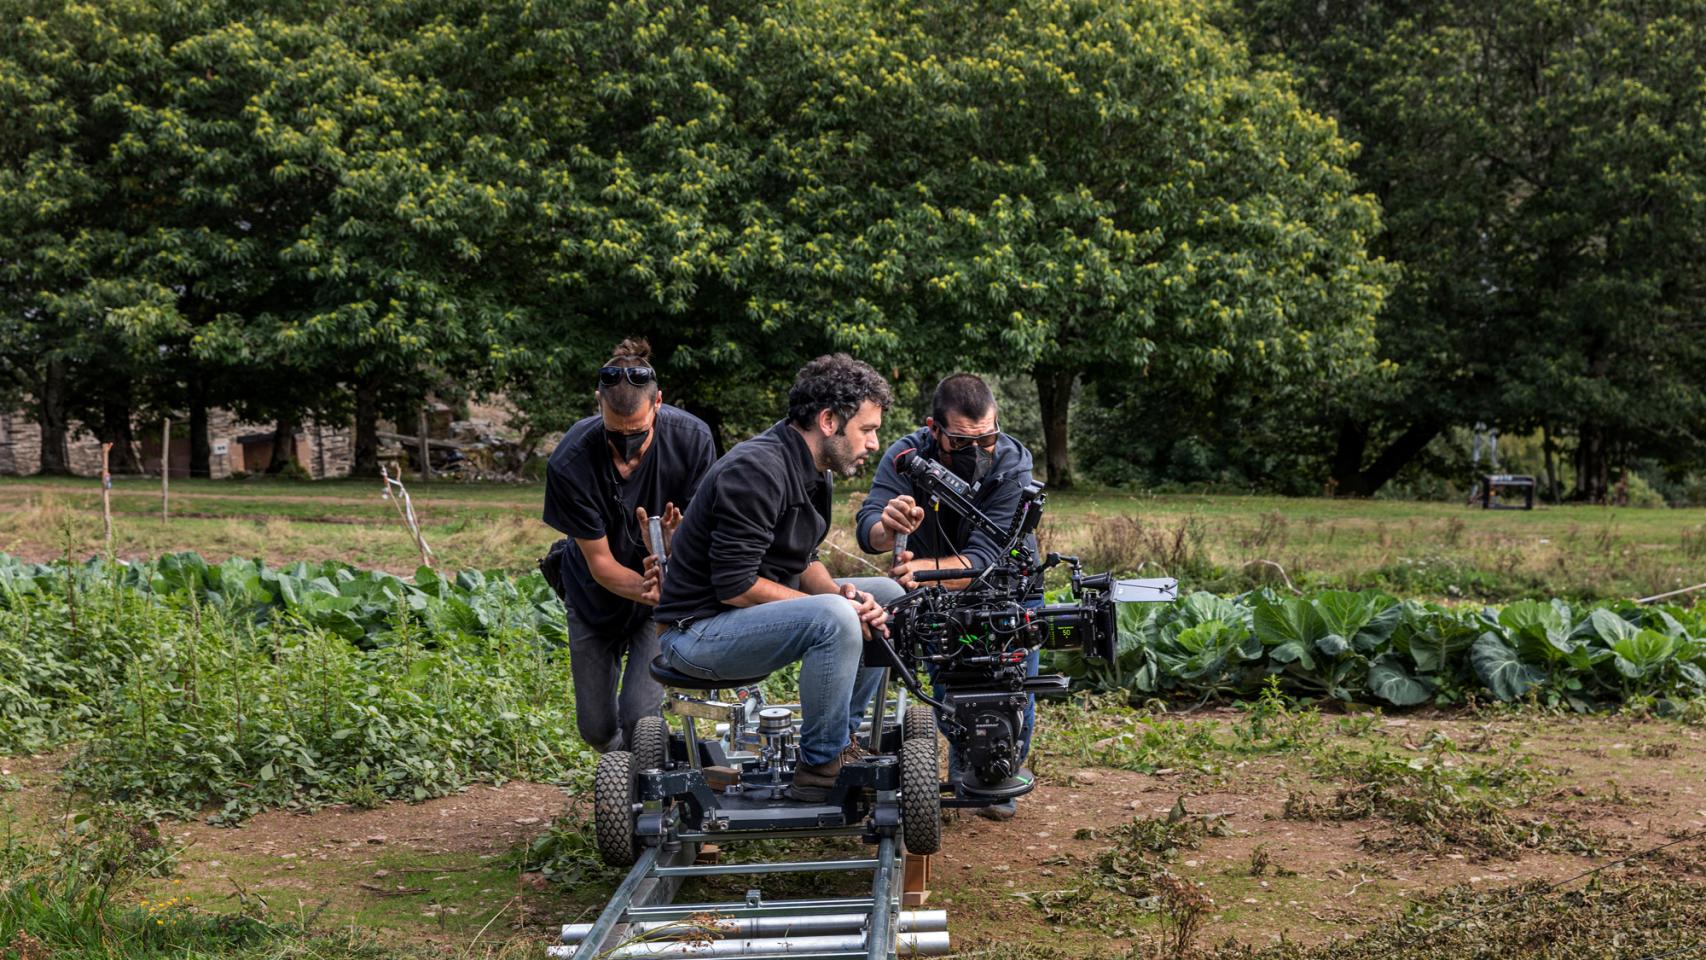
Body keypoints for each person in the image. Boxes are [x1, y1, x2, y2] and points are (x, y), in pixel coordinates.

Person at [655, 354, 905, 802]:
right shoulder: (756, 470)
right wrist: (836, 608)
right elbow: (735, 586)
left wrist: (845, 594)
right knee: (834, 616)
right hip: (696, 634)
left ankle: (841, 743)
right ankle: (820, 767)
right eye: (867, 430)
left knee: (887, 593)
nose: (874, 443)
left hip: (741, 622)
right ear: (828, 421)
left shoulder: (813, 470)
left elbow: (802, 560)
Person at [855, 373, 1039, 820]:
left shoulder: (1013, 463)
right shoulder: (905, 456)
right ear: (933, 428)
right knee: (947, 687)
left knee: (1015, 691)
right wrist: (889, 526)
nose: (978, 450)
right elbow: (867, 528)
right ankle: (964, 755)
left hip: (1010, 591)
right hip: (939, 601)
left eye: (988, 437)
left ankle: (1001, 766)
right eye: (961, 441)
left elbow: (986, 556)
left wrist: (919, 571)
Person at [542, 338, 717, 754]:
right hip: (593, 596)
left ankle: (643, 792)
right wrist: (647, 585)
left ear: (659, 403)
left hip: (660, 600)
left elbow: (706, 533)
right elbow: (600, 562)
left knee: (640, 716)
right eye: (614, 433)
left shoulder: (693, 440)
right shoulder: (570, 460)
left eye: (636, 433)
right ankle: (627, 773)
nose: (626, 449)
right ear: (597, 403)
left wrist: (678, 550)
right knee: (597, 730)